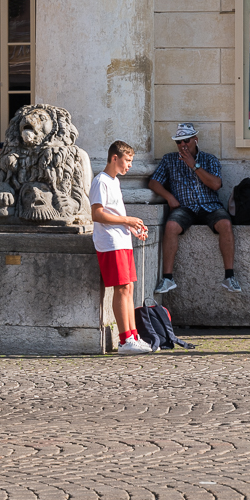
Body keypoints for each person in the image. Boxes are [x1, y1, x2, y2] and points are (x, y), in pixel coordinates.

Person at [148, 122, 241, 294]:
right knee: (171, 226)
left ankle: (229, 276)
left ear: (195, 140)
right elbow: (153, 182)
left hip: (210, 205)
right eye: (179, 142)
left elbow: (216, 184)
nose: (183, 145)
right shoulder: (169, 160)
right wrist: (169, 197)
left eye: (187, 140)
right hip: (185, 207)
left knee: (225, 224)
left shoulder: (209, 159)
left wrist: (194, 165)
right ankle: (168, 278)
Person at [90, 140, 151, 355]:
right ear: (115, 158)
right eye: (128, 160)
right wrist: (127, 221)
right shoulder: (101, 181)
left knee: (129, 288)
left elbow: (114, 214)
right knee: (121, 288)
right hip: (110, 242)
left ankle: (133, 336)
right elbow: (96, 214)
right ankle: (125, 340)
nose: (130, 165)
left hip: (121, 240)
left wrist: (133, 228)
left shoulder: (114, 181)